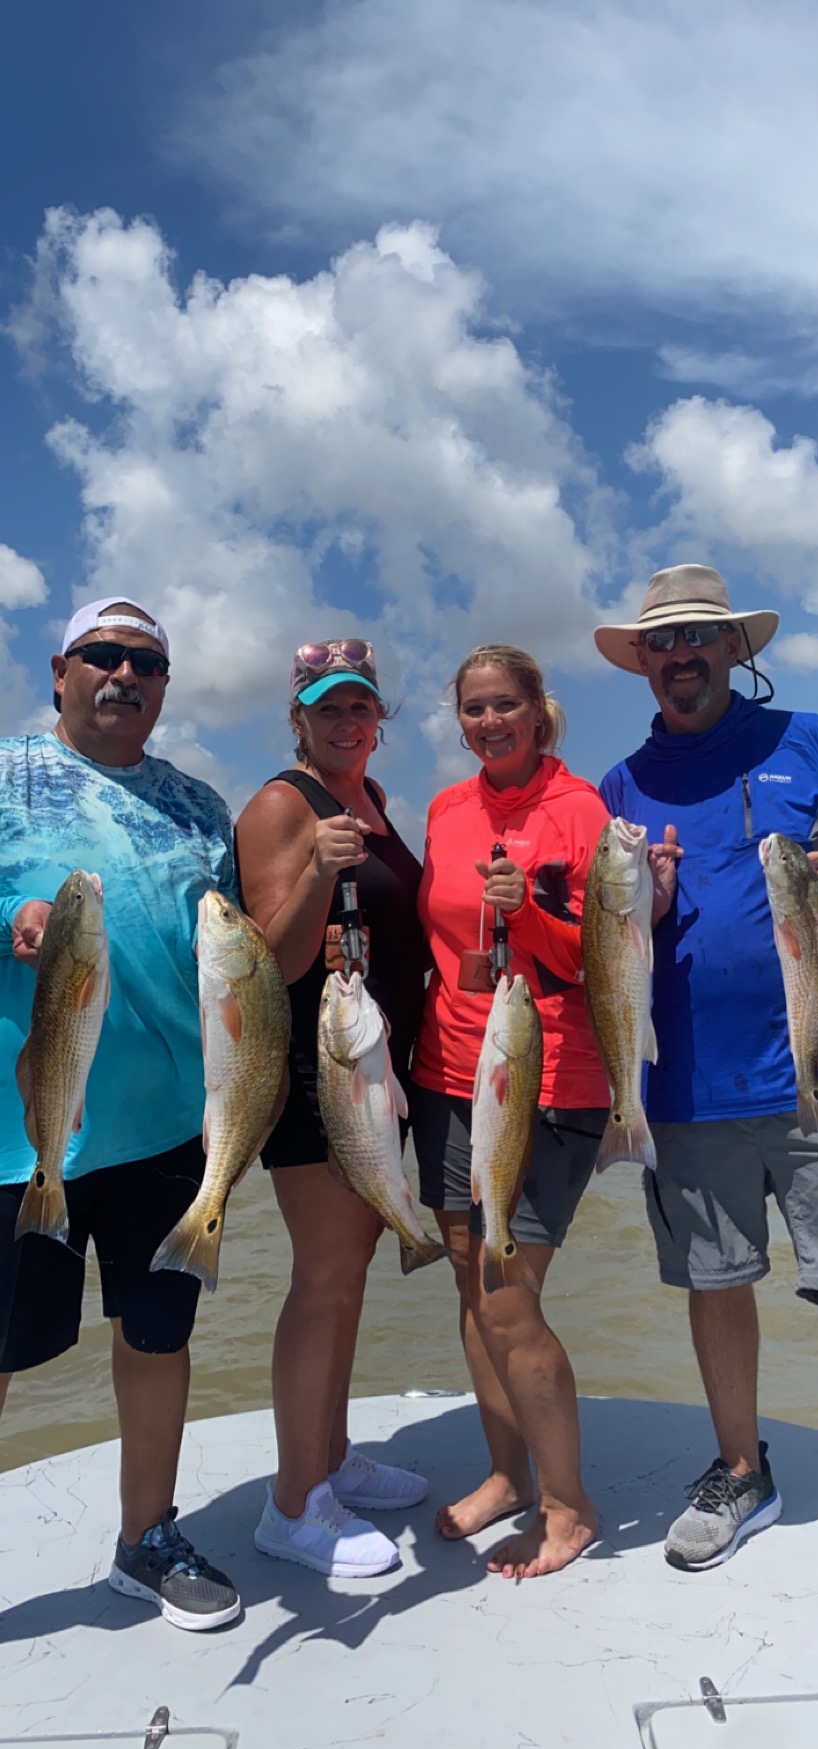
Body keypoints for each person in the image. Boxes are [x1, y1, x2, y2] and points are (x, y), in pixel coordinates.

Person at [595, 562, 818, 1675]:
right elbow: (601, 939)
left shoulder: (811, 738)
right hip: (687, 1090)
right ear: (643, 661)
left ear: (733, 648)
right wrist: (634, 897)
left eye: (702, 635)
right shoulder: (620, 782)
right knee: (714, 1287)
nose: (683, 654)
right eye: (664, 642)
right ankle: (741, 1468)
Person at [0, 598, 241, 1631]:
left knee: (156, 1336)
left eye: (145, 661)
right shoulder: (4, 776)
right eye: (101, 655)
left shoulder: (199, 805)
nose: (122, 674)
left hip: (166, 1135)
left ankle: (146, 1538)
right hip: (26, 1138)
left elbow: (232, 956)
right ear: (59, 669)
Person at [411, 644, 611, 1579]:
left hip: (547, 1074)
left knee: (507, 1295)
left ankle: (569, 1506)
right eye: (474, 710)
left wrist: (525, 913)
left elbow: (595, 959)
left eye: (505, 707)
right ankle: (507, 1473)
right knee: (469, 1284)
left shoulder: (578, 812)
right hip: (447, 1071)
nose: (489, 723)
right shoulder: (448, 809)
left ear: (538, 711)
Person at [234, 640, 427, 1579]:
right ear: (298, 718)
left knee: (349, 1269)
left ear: (378, 720)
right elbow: (271, 962)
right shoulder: (283, 804)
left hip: (376, 1065)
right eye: (328, 709)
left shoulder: (375, 802)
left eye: (362, 709)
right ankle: (291, 1502)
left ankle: (333, 1455)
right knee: (323, 1277)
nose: (348, 723)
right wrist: (315, 869)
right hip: (319, 1076)